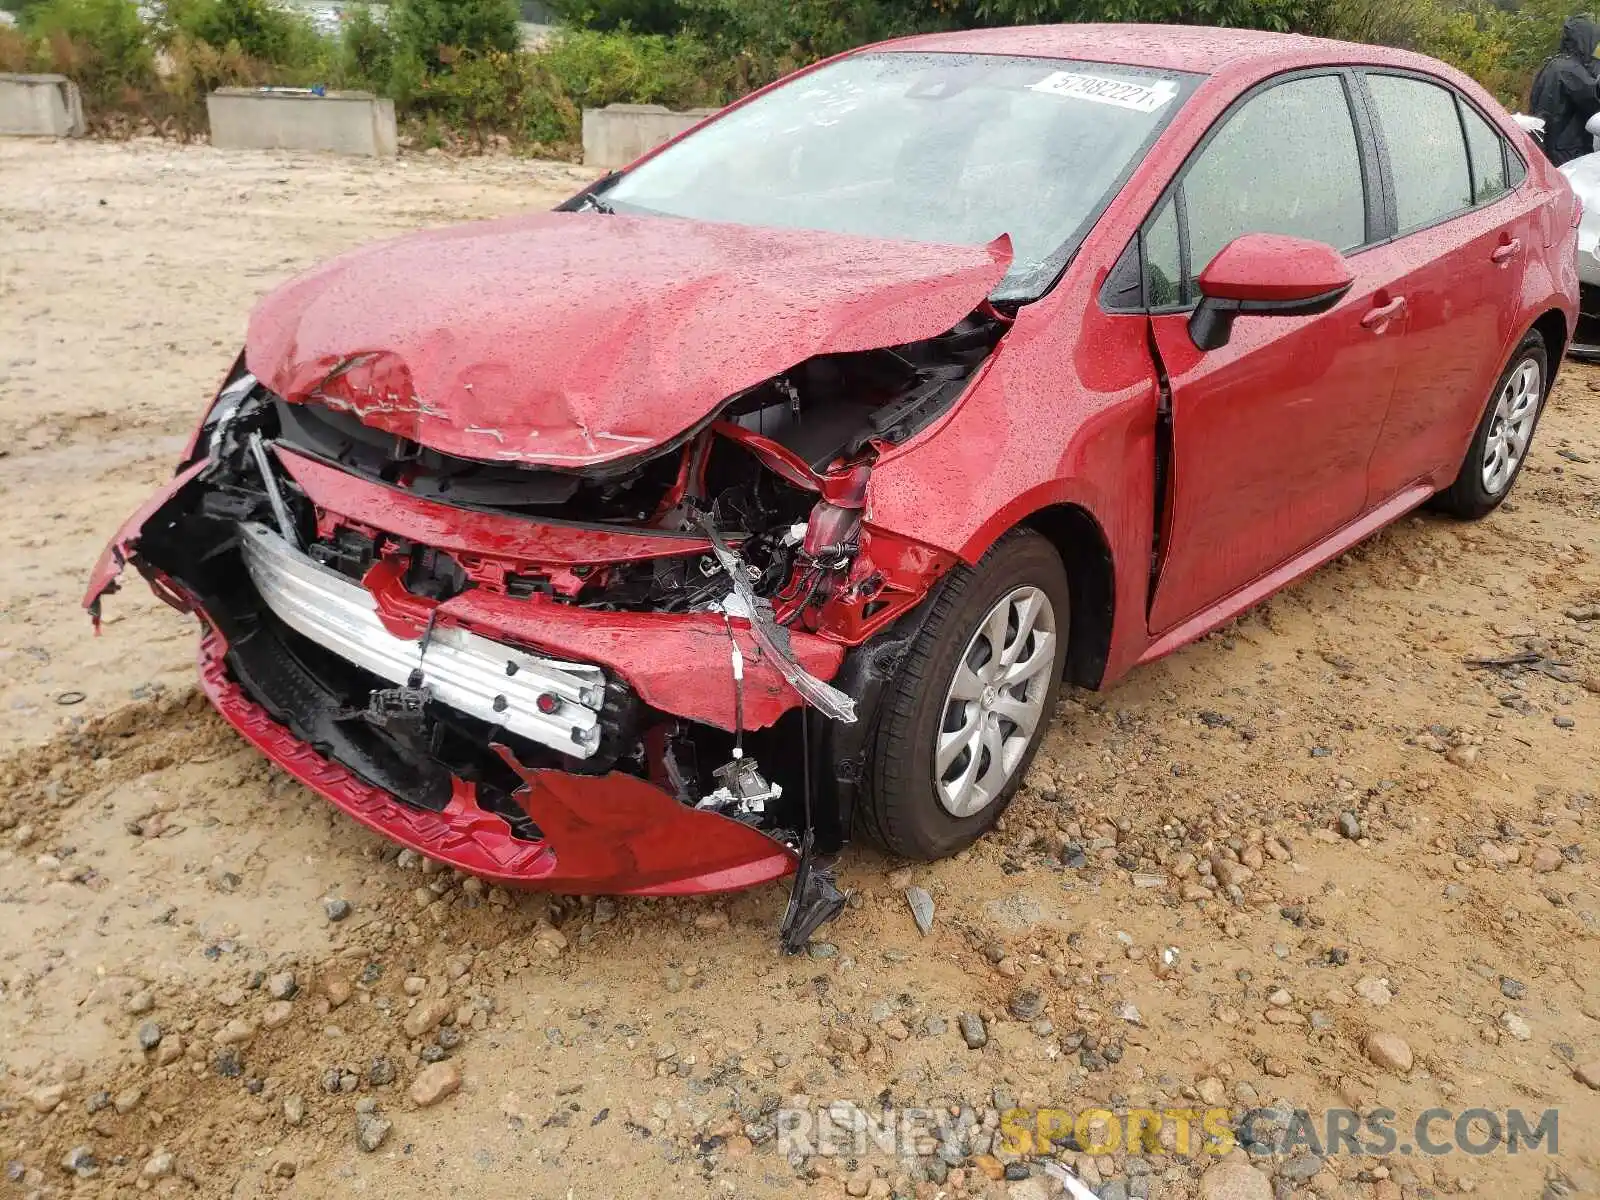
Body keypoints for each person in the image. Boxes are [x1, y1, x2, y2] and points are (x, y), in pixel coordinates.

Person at [1530, 16, 1600, 165]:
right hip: (1567, 153)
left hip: (1546, 146)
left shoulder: (1554, 63)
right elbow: (1594, 100)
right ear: (1584, 40)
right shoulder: (1571, 70)